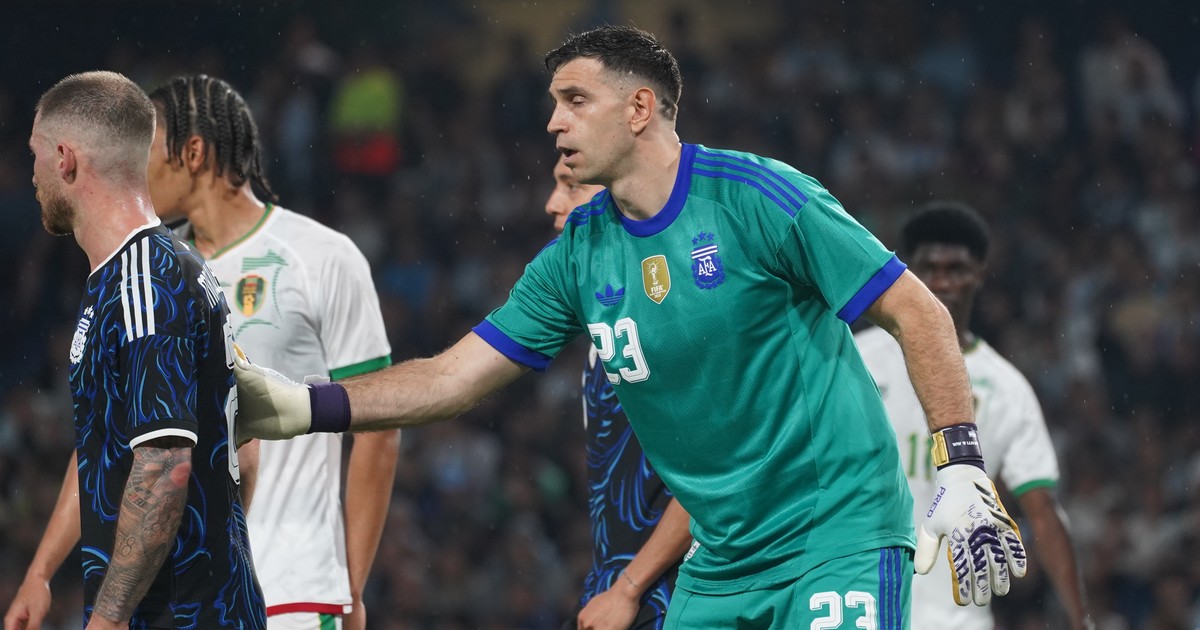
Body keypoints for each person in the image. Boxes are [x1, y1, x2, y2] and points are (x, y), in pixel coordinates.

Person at [235, 26, 1027, 628]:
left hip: (836, 535)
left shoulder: (756, 198)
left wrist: (961, 463)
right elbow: (451, 378)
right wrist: (304, 406)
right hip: (721, 562)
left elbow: (915, 308)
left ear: (640, 108)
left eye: (575, 101)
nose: (554, 122)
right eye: (554, 104)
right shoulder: (577, 256)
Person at [6, 70, 265, 628]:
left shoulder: (143, 283)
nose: (31, 174)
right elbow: (113, 443)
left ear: (65, 159)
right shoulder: (145, 271)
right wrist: (41, 572)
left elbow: (164, 465)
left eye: (35, 154)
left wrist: (109, 618)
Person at [146, 74, 399, 629]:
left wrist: (351, 589)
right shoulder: (154, 275)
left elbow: (378, 427)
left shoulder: (322, 256)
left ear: (193, 152)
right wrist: (42, 570)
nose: (138, 169)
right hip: (181, 599)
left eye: (149, 145)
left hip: (292, 591)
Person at [854, 202, 1092, 630]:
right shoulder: (858, 359)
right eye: (930, 268)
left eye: (957, 269)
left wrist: (1081, 621)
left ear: (980, 273)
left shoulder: (1006, 389)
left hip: (958, 618)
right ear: (908, 271)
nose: (943, 281)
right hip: (864, 605)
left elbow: (1042, 510)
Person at [544, 154, 693, 630]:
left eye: (570, 186)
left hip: (677, 593)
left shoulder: (667, 312)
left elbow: (715, 474)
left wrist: (630, 586)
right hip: (624, 586)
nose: (552, 203)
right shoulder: (607, 317)